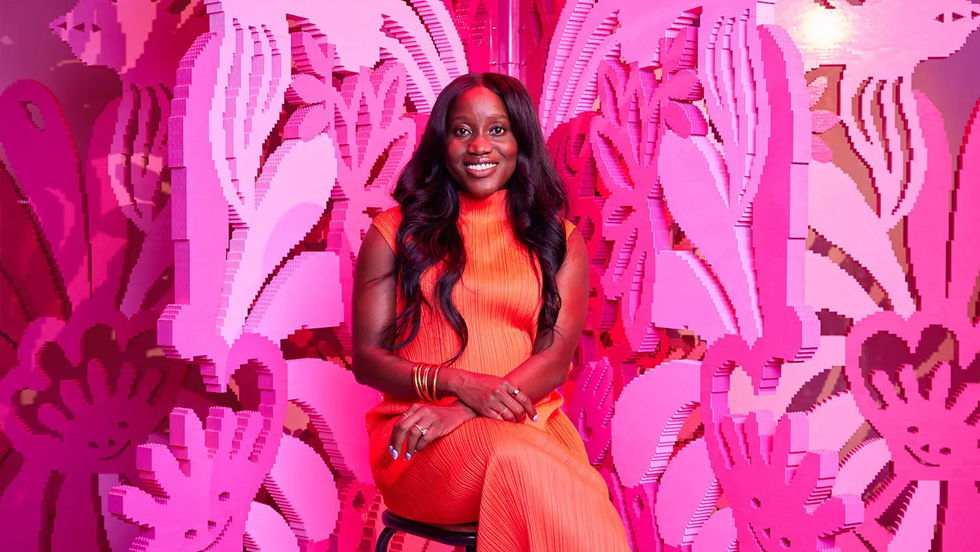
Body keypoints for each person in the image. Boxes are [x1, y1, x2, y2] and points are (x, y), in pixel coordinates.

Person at [351, 72, 631, 552]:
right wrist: (458, 383)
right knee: (532, 469)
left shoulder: (559, 240)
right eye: (462, 131)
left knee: (540, 468)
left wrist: (466, 408)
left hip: (533, 430)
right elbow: (367, 359)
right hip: (421, 440)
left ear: (520, 140)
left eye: (497, 129)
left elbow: (555, 357)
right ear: (442, 143)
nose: (480, 144)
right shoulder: (393, 232)